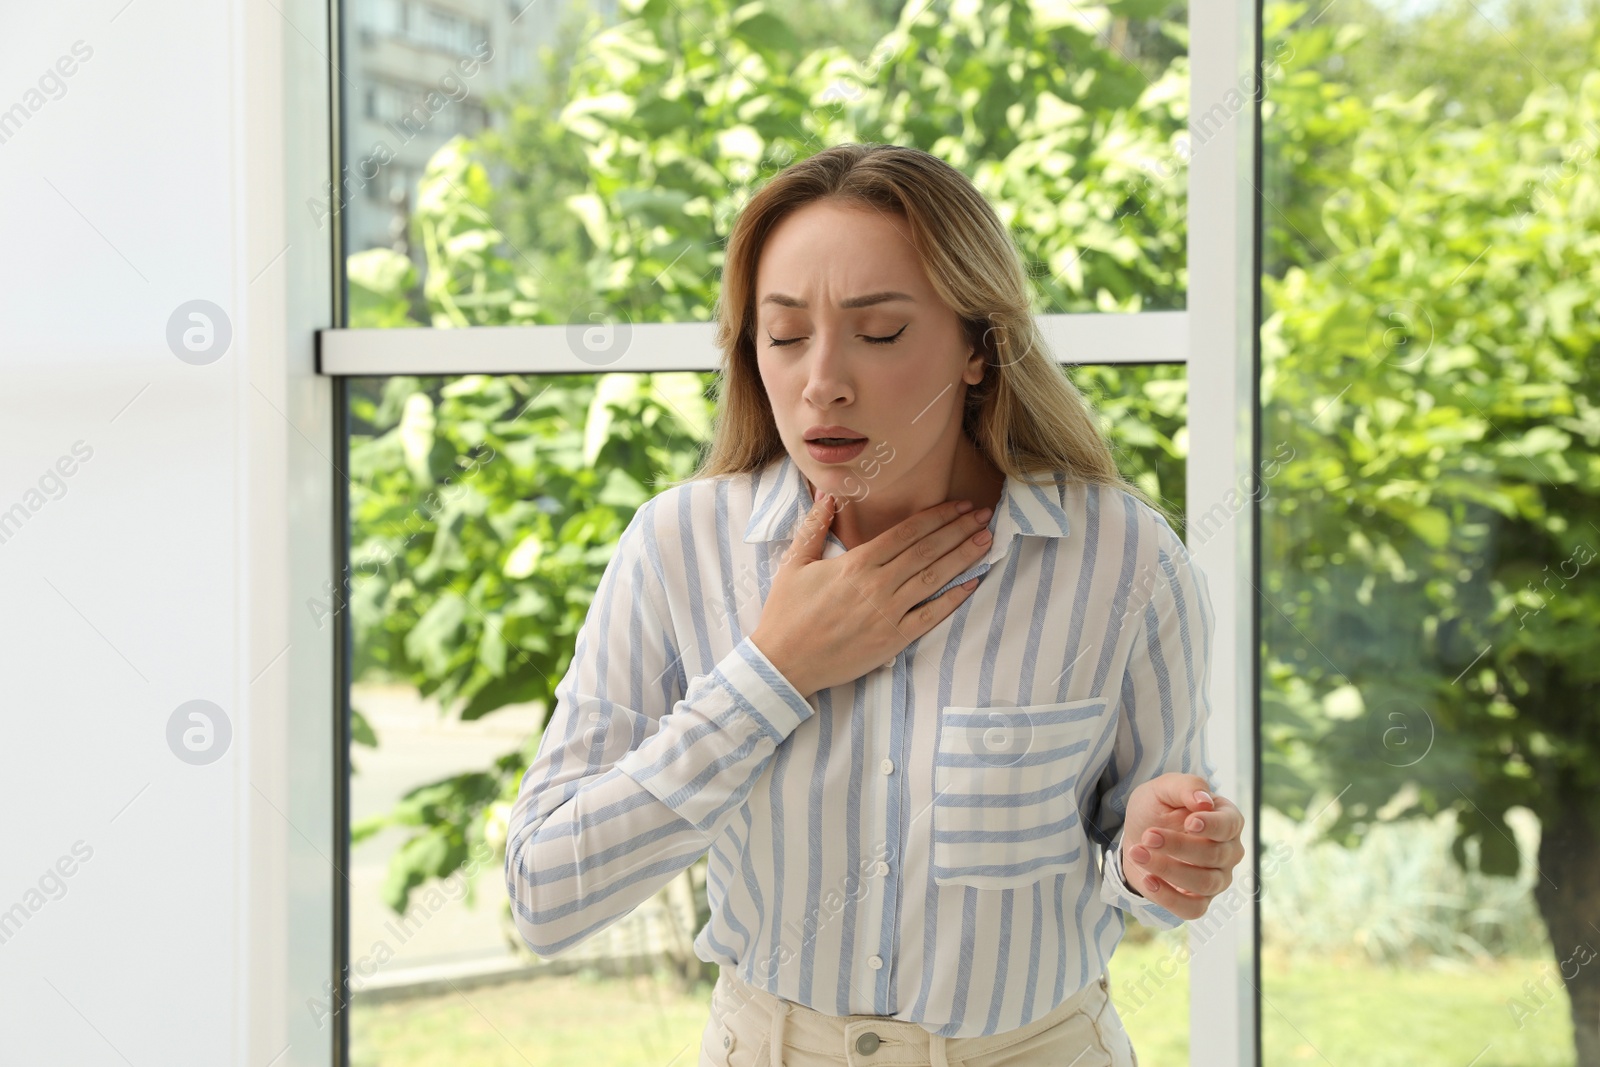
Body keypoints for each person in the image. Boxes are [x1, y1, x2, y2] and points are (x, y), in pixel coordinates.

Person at [503, 142, 1246, 1067]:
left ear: (980, 347)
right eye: (784, 336)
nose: (822, 381)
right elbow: (545, 893)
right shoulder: (676, 549)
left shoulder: (1123, 559)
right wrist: (771, 672)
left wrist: (1157, 859)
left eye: (880, 333)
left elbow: (1148, 869)